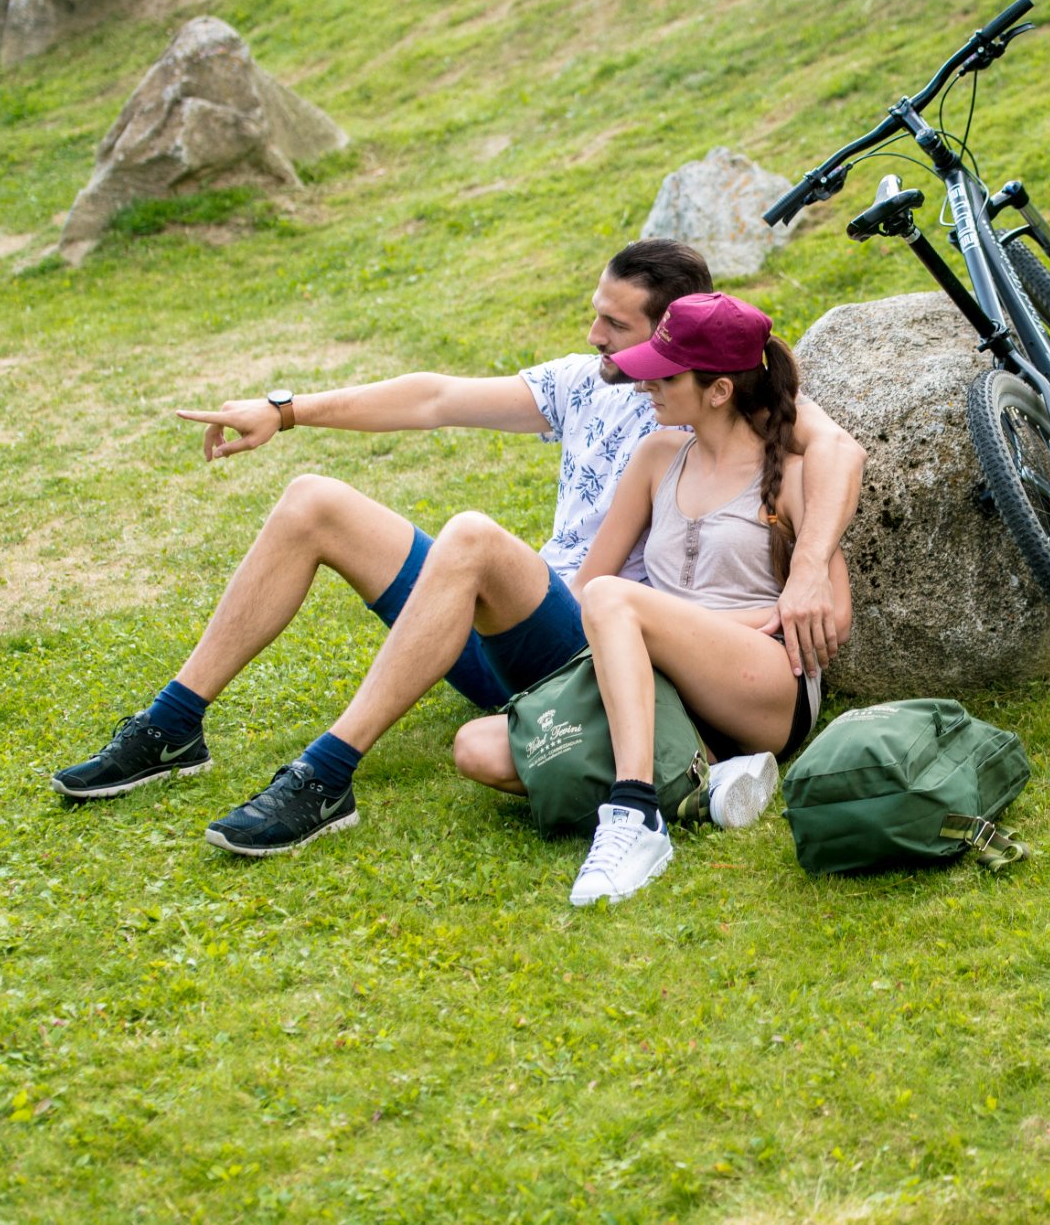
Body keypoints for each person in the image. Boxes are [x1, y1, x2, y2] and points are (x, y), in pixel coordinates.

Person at [49, 240, 867, 857]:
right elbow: (434, 398)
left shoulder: (714, 403)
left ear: (676, 337)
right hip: (526, 622)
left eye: (616, 326)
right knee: (314, 501)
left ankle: (326, 775)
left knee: (473, 538)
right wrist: (288, 409)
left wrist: (803, 572)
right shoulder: (588, 383)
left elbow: (833, 454)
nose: (594, 334)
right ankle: (171, 726)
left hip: (612, 648)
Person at [446, 292, 847, 904]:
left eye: (665, 375)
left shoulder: (792, 475)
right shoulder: (658, 456)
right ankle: (706, 783)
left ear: (718, 391)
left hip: (764, 685)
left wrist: (709, 620)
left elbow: (833, 617)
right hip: (660, 684)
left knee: (616, 599)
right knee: (477, 749)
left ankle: (636, 814)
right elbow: (584, 592)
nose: (644, 386)